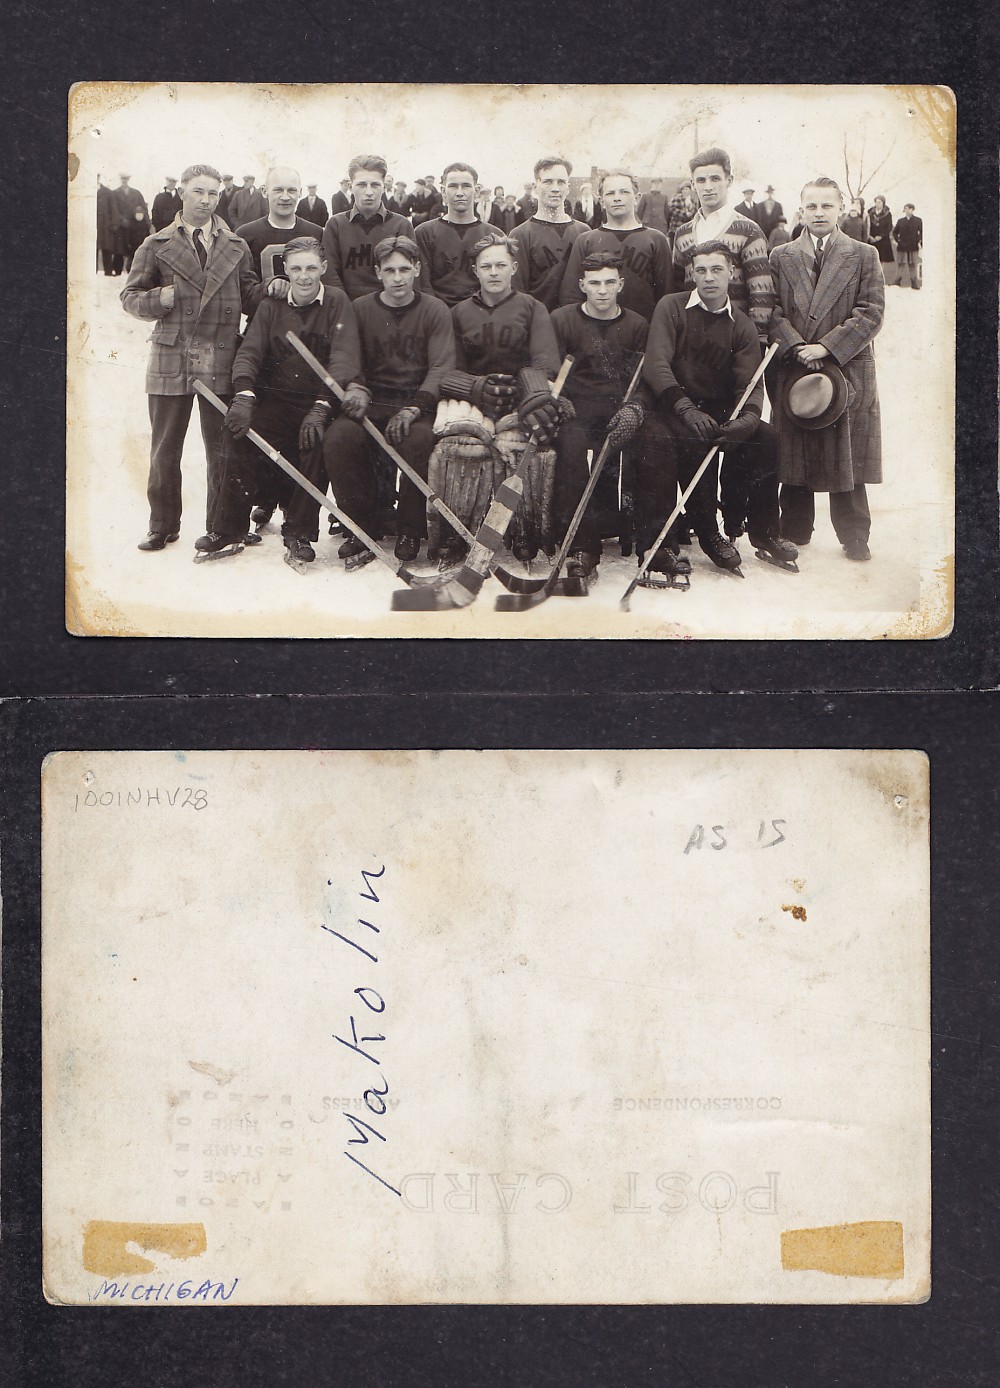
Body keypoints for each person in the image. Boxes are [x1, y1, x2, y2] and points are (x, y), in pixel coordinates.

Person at [121, 163, 262, 553]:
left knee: (224, 449)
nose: (206, 200)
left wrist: (274, 291)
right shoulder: (155, 244)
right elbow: (130, 297)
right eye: (198, 191)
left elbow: (249, 293)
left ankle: (224, 527)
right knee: (165, 448)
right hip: (173, 355)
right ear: (182, 192)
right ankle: (162, 524)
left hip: (219, 354)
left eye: (213, 193)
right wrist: (158, 299)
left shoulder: (236, 245)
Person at [641, 241, 794, 581]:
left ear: (731, 273)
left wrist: (748, 419)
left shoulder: (740, 324)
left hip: (721, 409)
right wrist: (685, 409)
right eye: (701, 270)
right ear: (691, 273)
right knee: (695, 438)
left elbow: (750, 383)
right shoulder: (672, 307)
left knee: (767, 437)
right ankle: (708, 530)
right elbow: (657, 364)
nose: (709, 277)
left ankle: (764, 529)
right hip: (674, 407)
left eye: (717, 270)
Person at [208, 237, 361, 566]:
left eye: (310, 268)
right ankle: (228, 529)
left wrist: (322, 407)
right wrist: (244, 394)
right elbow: (250, 351)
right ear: (285, 271)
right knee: (237, 434)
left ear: (323, 268)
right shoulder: (270, 306)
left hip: (320, 401)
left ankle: (298, 531)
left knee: (317, 443)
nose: (304, 276)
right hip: (278, 400)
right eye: (296, 269)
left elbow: (345, 359)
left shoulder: (336, 301)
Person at [310, 235, 455, 566]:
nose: (398, 277)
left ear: (417, 269)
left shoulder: (434, 310)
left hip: (415, 403)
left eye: (405, 269)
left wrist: (415, 407)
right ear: (378, 272)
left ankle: (409, 529)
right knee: (339, 438)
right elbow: (346, 355)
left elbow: (442, 366)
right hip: (373, 401)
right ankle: (361, 524)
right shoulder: (360, 308)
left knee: (418, 441)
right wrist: (357, 386)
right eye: (390, 270)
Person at [433, 232, 569, 567]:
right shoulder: (459, 311)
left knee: (525, 446)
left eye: (500, 265)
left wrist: (531, 390)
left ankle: (525, 530)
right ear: (475, 271)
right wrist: (474, 387)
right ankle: (457, 530)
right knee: (464, 447)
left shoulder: (532, 307)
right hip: (475, 399)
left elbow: (545, 362)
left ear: (513, 268)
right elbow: (447, 367)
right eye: (486, 266)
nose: (493, 272)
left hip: (520, 400)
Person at [769, 176, 885, 560]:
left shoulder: (864, 254)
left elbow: (871, 312)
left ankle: (855, 536)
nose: (819, 213)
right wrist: (799, 346)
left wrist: (827, 347)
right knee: (795, 446)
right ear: (800, 209)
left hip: (846, 367)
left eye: (827, 206)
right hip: (796, 365)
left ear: (840, 209)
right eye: (811, 206)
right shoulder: (780, 256)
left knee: (846, 450)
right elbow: (770, 311)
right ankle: (795, 530)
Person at [671, 149, 778, 552]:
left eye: (715, 179)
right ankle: (703, 522)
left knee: (742, 430)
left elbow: (762, 290)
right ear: (692, 184)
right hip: (694, 352)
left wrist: (756, 344)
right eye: (700, 180)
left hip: (739, 346)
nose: (708, 187)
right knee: (697, 432)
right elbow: (678, 290)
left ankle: (738, 517)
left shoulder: (748, 229)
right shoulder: (682, 232)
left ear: (728, 180)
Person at [550, 250, 653, 580]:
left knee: (647, 442)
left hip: (616, 407)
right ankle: (583, 545)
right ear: (582, 285)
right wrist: (560, 400)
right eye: (595, 283)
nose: (603, 290)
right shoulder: (563, 319)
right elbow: (550, 371)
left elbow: (644, 378)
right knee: (572, 444)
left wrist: (634, 407)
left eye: (610, 282)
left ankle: (635, 531)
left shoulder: (637, 324)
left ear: (620, 284)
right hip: (575, 408)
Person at [558, 169, 673, 321]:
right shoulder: (586, 240)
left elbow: (666, 297)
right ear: (601, 200)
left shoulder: (656, 239)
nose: (617, 198)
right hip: (595, 331)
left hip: (643, 332)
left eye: (624, 192)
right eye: (610, 193)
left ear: (637, 197)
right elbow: (571, 295)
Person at [321, 155, 414, 301]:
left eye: (375, 185)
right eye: (362, 185)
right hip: (346, 308)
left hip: (390, 308)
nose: (369, 192)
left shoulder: (401, 225)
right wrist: (345, 310)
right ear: (351, 187)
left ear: (384, 187)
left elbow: (406, 278)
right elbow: (330, 276)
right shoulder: (336, 225)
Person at [510, 156, 590, 309]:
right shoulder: (520, 234)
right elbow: (517, 293)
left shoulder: (584, 232)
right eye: (547, 182)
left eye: (561, 182)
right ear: (535, 187)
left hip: (576, 324)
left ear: (568, 187)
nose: (555, 188)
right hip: (538, 323)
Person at [236, 166, 320, 294]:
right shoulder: (245, 234)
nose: (285, 197)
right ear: (264, 191)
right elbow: (243, 289)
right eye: (278, 190)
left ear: (300, 193)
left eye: (291, 190)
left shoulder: (316, 233)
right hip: (262, 312)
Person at [415, 162, 489, 306]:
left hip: (479, 316)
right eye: (453, 186)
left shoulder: (492, 234)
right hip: (436, 316)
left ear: (477, 191)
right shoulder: (424, 233)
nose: (459, 192)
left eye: (466, 186)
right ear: (443, 191)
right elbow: (423, 285)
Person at [112, 174, 150, 270]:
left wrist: (147, 223)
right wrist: (121, 220)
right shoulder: (114, 193)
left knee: (134, 251)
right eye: (123, 179)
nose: (124, 181)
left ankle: (132, 271)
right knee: (119, 251)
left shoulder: (136, 193)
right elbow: (113, 209)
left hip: (134, 228)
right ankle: (117, 272)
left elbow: (144, 209)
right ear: (120, 179)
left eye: (126, 179)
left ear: (128, 180)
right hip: (120, 226)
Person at [96, 176, 124, 275]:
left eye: (97, 176)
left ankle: (108, 272)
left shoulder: (107, 192)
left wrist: (114, 224)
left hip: (104, 226)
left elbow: (114, 209)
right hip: (90, 225)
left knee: (106, 249)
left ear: (99, 177)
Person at [892, 203, 923, 289]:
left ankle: (914, 283)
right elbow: (894, 232)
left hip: (913, 246)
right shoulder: (900, 221)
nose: (907, 210)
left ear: (912, 209)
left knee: (912, 264)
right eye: (905, 209)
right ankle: (897, 281)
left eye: (908, 209)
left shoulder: (918, 220)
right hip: (902, 246)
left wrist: (918, 241)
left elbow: (922, 232)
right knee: (901, 264)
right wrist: (898, 241)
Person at [866, 195, 895, 282]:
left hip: (883, 239)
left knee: (881, 259)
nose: (877, 204)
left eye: (879, 202)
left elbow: (889, 227)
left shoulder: (887, 213)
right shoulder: (869, 212)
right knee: (871, 259)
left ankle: (879, 278)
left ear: (883, 203)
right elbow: (867, 225)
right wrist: (870, 236)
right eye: (876, 202)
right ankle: (870, 279)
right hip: (871, 239)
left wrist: (881, 236)